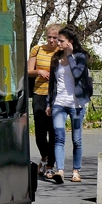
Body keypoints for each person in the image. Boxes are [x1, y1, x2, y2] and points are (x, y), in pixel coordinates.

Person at [46, 25, 93, 184]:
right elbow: (52, 84)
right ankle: (60, 170)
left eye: (61, 41)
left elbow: (77, 74)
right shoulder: (55, 59)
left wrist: (70, 55)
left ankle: (76, 170)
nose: (58, 43)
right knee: (59, 137)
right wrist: (49, 103)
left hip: (76, 104)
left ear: (70, 42)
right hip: (59, 103)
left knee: (76, 139)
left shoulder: (80, 57)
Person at [27, 24, 60, 176]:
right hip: (39, 93)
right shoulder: (37, 49)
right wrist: (38, 71)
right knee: (40, 131)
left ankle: (50, 165)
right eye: (49, 37)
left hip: (57, 95)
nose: (52, 40)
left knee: (54, 131)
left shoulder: (62, 51)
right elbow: (28, 71)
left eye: (55, 38)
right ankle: (45, 156)